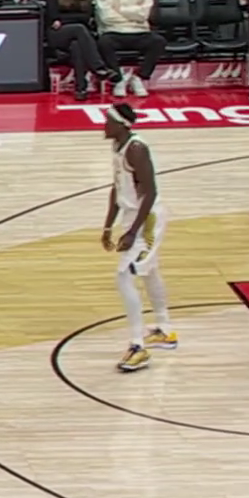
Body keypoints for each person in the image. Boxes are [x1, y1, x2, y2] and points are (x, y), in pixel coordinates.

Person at [100, 103, 176, 373]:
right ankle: (165, 330)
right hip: (132, 217)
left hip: (147, 221)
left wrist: (134, 232)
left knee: (124, 275)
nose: (104, 125)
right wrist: (108, 227)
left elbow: (151, 192)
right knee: (150, 271)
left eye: (108, 121)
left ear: (121, 125)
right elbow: (117, 188)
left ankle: (137, 346)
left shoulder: (136, 149)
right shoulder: (118, 146)